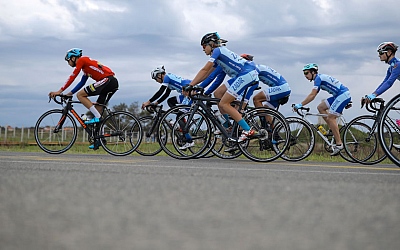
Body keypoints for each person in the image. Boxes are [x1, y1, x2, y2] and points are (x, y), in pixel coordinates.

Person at [186, 32, 259, 142]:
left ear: (211, 44)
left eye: (204, 46)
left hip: (246, 75)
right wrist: (196, 86)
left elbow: (205, 70)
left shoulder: (217, 51)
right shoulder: (219, 55)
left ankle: (247, 129)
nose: (203, 49)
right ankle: (228, 126)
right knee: (218, 93)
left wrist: (190, 85)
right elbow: (208, 74)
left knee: (224, 103)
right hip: (242, 75)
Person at [49, 48, 119, 149]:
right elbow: (81, 82)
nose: (68, 63)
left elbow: (72, 77)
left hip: (107, 80)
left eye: (68, 60)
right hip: (111, 82)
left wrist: (59, 91)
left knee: (80, 95)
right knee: (98, 110)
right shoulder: (86, 67)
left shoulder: (81, 60)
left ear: (73, 58)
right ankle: (99, 140)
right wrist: (69, 93)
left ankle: (97, 118)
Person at [293, 63, 351, 156]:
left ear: (313, 72)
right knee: (321, 107)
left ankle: (339, 144)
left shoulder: (318, 79)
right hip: (339, 95)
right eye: (304, 73)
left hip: (342, 95)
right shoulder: (319, 78)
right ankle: (332, 130)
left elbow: (312, 95)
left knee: (331, 117)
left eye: (306, 73)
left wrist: (300, 104)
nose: (305, 75)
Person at [141, 65, 194, 149]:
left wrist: (149, 101)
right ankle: (181, 122)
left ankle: (189, 140)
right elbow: (166, 94)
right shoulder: (169, 79)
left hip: (190, 93)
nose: (156, 81)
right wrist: (156, 103)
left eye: (156, 79)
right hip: (185, 94)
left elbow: (161, 91)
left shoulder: (167, 77)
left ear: (159, 75)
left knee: (180, 116)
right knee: (171, 101)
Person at [241, 53, 291, 129]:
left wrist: (244, 102)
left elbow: (252, 85)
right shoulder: (256, 68)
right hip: (284, 88)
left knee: (256, 99)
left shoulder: (254, 69)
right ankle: (273, 134)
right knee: (266, 108)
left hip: (281, 88)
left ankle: (264, 127)